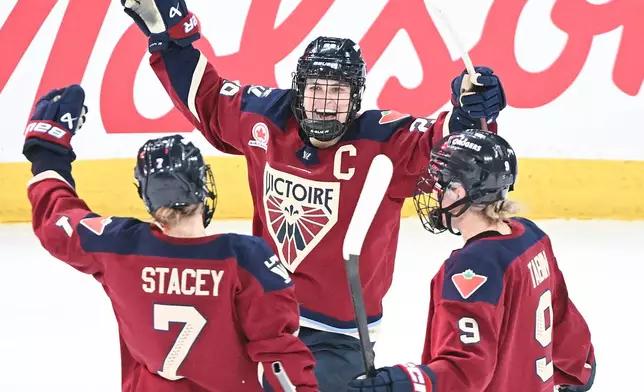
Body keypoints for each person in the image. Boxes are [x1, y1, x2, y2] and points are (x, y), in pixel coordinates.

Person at [120, 1, 507, 389]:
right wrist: (170, 41)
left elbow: (449, 149)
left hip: (339, 337)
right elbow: (207, 99)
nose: (323, 104)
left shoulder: (383, 139)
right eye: (315, 89)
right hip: (260, 313)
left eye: (337, 91)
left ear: (356, 98)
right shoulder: (265, 118)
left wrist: (469, 115)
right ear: (297, 89)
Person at [23, 84, 319, 392]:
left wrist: (46, 155)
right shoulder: (247, 259)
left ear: (147, 197)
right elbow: (280, 355)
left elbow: (56, 222)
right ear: (203, 187)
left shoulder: (116, 245)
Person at [347, 130, 596, 392]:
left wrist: (405, 383)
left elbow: (467, 369)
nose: (434, 191)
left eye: (440, 183)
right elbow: (561, 315)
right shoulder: (531, 237)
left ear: (457, 191)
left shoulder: (474, 268)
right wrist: (580, 365)